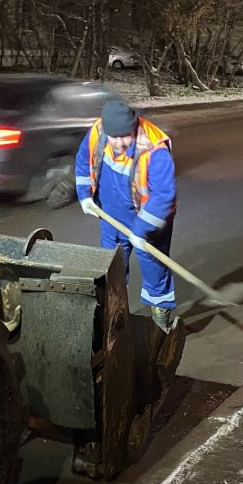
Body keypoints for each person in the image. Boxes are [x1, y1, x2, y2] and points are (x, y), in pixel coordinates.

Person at [76, 98, 178, 332]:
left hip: (148, 221)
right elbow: (83, 160)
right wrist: (84, 195)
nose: (120, 143)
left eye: (126, 136)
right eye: (116, 137)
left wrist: (141, 230)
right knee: (112, 268)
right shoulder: (98, 132)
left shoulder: (155, 150)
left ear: (134, 129)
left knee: (154, 268)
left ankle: (160, 317)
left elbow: (163, 197)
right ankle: (114, 315)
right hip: (111, 217)